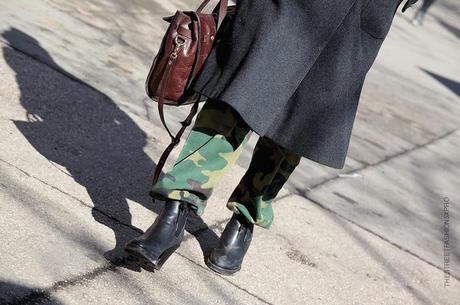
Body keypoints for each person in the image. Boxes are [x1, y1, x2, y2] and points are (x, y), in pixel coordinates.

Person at [125, 0, 417, 275]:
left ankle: (246, 216)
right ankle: (176, 209)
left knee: (299, 116)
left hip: (359, 11)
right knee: (239, 87)